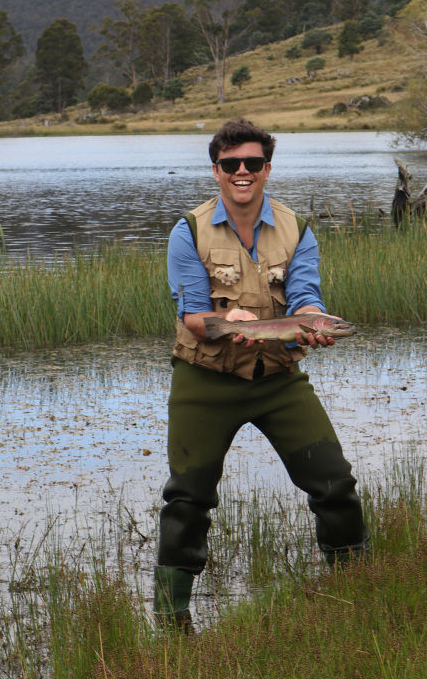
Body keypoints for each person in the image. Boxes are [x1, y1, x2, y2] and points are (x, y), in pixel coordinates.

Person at [154, 117, 368, 629]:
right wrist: (230, 322)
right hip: (204, 381)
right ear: (216, 172)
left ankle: (358, 593)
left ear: (267, 169)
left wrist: (313, 323)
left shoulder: (297, 228)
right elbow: (192, 318)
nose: (242, 171)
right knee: (187, 500)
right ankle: (170, 622)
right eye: (231, 164)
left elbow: (305, 296)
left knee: (335, 484)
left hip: (278, 379)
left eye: (253, 163)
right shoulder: (189, 231)